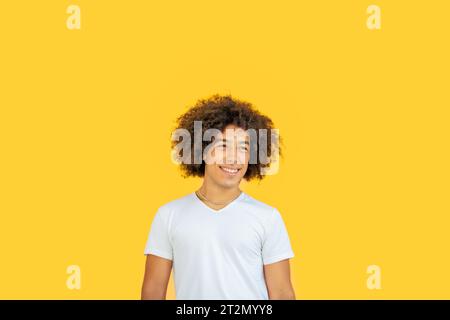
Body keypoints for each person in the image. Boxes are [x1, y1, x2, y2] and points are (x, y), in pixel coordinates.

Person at [141, 94, 295, 300]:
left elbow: (282, 293)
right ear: (201, 151)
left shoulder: (268, 218)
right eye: (223, 145)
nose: (233, 158)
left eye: (243, 148)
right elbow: (152, 292)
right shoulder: (169, 215)